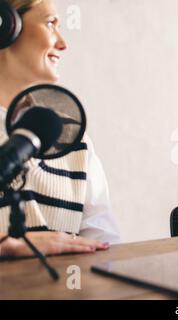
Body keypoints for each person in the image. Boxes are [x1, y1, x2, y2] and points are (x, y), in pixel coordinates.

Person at [0, 0, 120, 257]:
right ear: (5, 24)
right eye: (50, 23)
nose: (63, 44)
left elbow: (103, 242)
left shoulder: (75, 139)